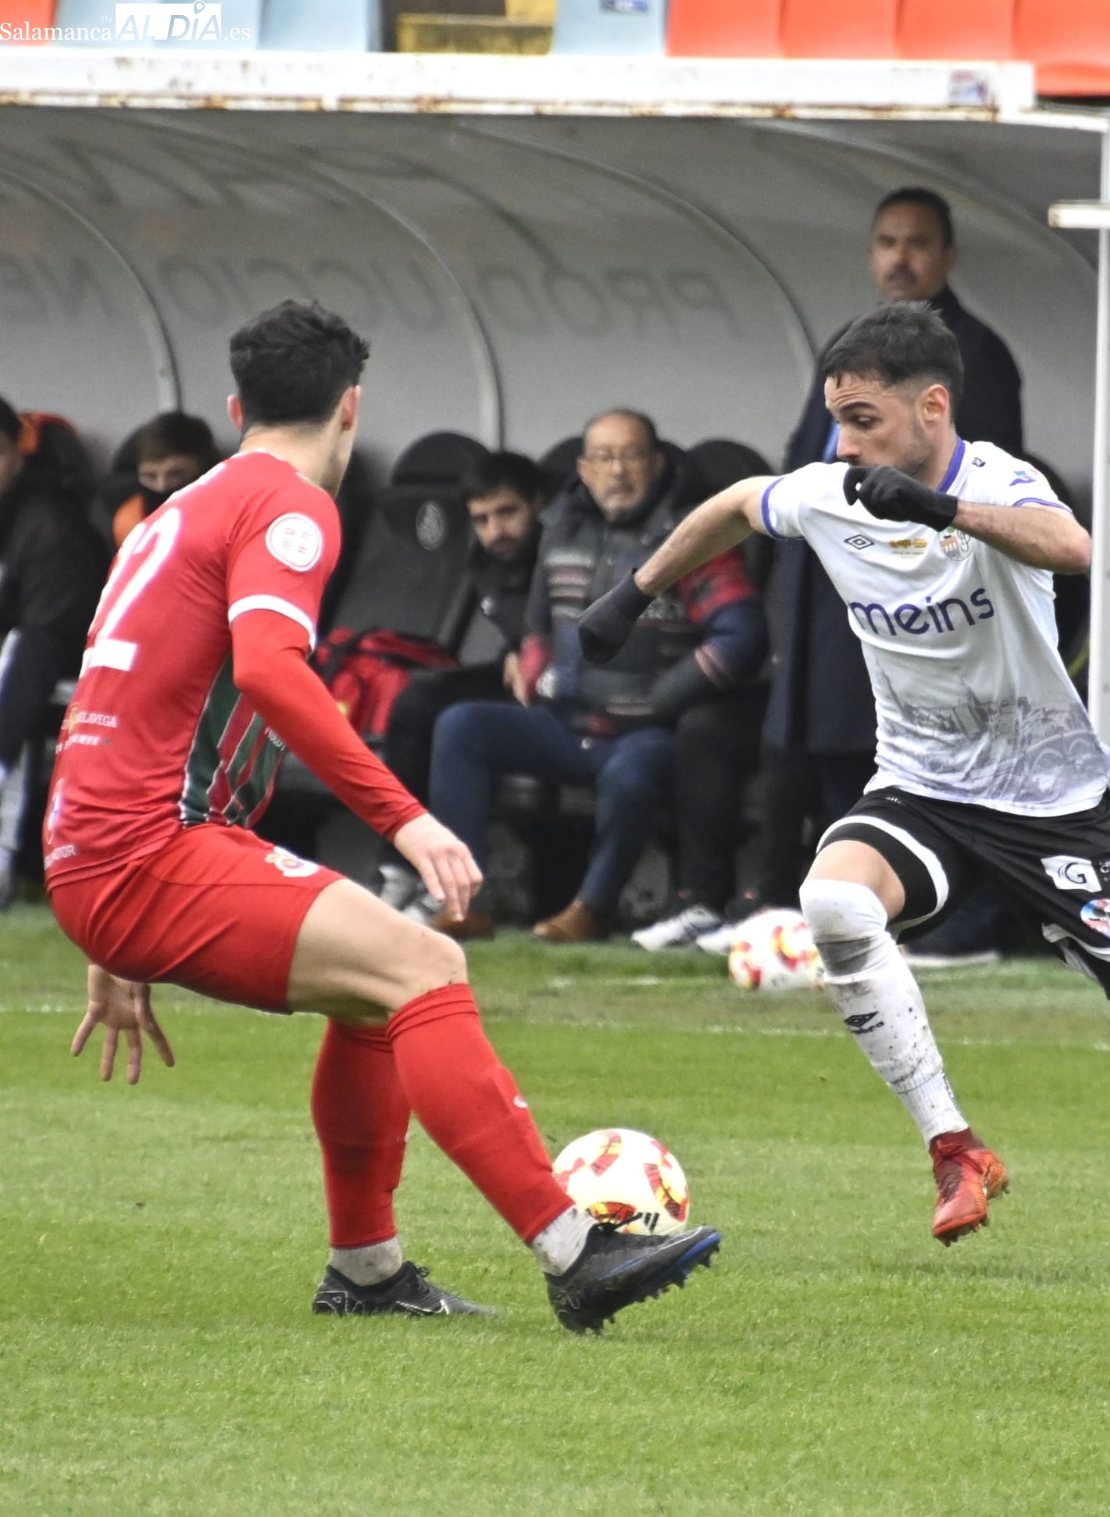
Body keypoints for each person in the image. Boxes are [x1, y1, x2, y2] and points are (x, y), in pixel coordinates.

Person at [580, 302, 1110, 1283]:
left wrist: (942, 511)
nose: (845, 444)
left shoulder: (998, 481)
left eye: (863, 419)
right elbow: (740, 501)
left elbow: (1071, 545)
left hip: (1051, 805)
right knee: (833, 902)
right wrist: (634, 592)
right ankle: (954, 1146)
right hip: (922, 788)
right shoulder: (835, 490)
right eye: (837, 420)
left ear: (931, 407)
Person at [44, 301, 719, 1330]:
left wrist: (103, 908)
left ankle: (366, 1271)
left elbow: (113, 688)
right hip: (145, 847)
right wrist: (409, 819)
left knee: (373, 995)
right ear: (351, 406)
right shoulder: (292, 504)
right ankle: (576, 1249)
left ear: (236, 408)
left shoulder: (182, 507)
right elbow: (270, 672)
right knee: (426, 966)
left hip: (107, 843)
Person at [652, 186, 1027, 959]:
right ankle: (818, 911)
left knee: (897, 760)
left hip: (913, 594)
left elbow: (979, 488)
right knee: (818, 752)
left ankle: (941, 923)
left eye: (917, 243)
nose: (901, 257)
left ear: (947, 256)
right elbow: (802, 462)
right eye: (887, 242)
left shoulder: (975, 355)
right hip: (823, 592)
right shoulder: (852, 345)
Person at [424, 409, 766, 943]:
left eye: (631, 456)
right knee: (460, 725)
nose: (617, 471)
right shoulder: (560, 528)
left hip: (647, 733)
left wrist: (658, 701)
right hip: (565, 723)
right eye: (603, 458)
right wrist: (535, 668)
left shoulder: (694, 534)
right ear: (583, 470)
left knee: (632, 773)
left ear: (656, 463)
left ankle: (593, 908)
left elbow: (741, 638)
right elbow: (537, 622)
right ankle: (464, 901)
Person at [377, 450, 546, 910]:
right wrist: (516, 652)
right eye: (482, 519)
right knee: (416, 701)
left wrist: (531, 651)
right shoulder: (486, 560)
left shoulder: (558, 551)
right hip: (518, 675)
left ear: (538, 503)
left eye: (507, 513)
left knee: (458, 721)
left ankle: (451, 884)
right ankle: (399, 866)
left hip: (566, 685)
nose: (496, 530)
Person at [0, 401, 111, 907]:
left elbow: (46, 640)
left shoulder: (50, 524)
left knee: (18, 658)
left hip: (59, 678)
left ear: (16, 455)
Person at [103, 412, 223, 549]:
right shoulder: (129, 520)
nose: (161, 486)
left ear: (203, 469)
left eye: (176, 474)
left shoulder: (228, 514)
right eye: (150, 477)